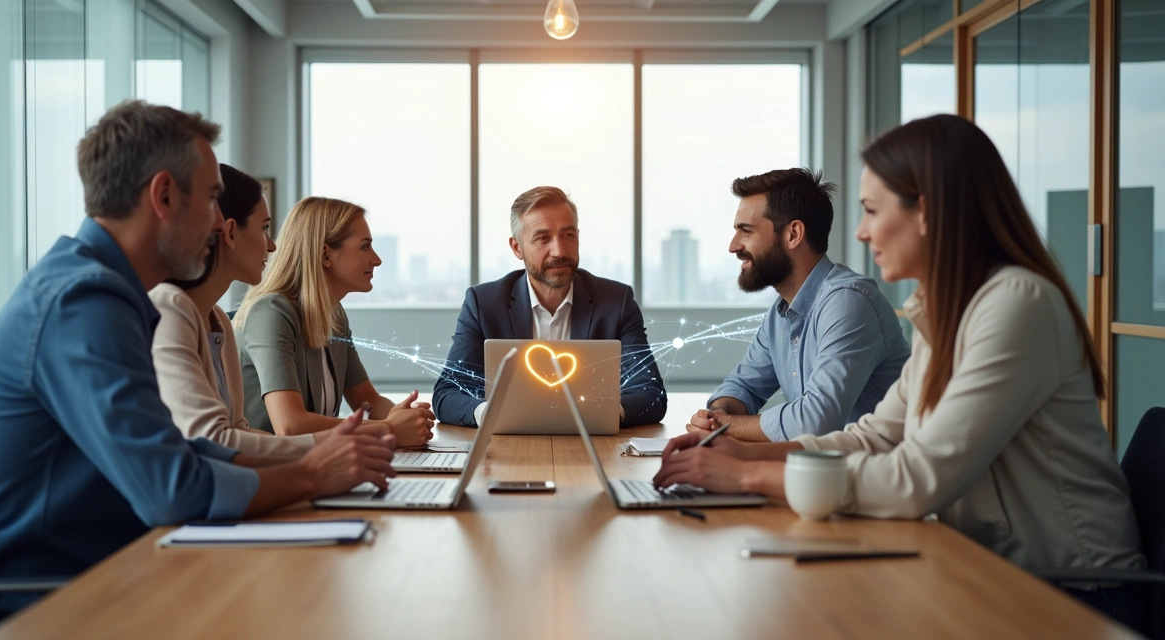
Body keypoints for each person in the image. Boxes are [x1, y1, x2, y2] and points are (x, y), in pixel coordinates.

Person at [654, 114, 1146, 629]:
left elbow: (917, 477)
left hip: (1076, 593)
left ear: (926, 212)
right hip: (989, 567)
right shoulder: (946, 309)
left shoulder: (1015, 304)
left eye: (871, 211)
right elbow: (877, 435)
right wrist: (742, 449)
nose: (862, 232)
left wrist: (747, 474)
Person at [0, 101, 396, 638]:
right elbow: (173, 489)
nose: (218, 224)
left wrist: (325, 457)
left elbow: (185, 452)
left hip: (115, 571)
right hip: (50, 603)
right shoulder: (84, 301)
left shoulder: (110, 292)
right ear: (163, 196)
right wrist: (311, 473)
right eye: (211, 199)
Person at [151, 163, 383, 458]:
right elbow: (225, 440)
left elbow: (237, 430)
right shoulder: (172, 310)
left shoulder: (218, 320)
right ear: (231, 232)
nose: (273, 246)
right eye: (264, 229)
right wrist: (376, 434)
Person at [687, 168, 909, 443]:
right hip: (820, 474)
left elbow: (816, 421)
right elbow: (743, 387)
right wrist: (716, 415)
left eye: (746, 231)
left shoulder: (849, 302)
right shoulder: (780, 315)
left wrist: (726, 425)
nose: (733, 246)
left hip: (873, 478)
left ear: (793, 234)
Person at [433, 186, 666, 428]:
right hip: (509, 454)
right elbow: (447, 393)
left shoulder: (617, 302)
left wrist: (605, 413)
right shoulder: (483, 304)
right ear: (517, 248)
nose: (559, 251)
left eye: (568, 236)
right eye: (542, 238)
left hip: (595, 450)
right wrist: (489, 414)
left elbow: (651, 393)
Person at [233, 196, 435, 446]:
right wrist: (388, 429)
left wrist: (406, 418)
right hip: (270, 473)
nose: (376, 259)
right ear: (325, 254)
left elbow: (370, 400)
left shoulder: (334, 314)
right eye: (365, 247)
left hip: (318, 468)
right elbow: (289, 425)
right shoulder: (271, 313)